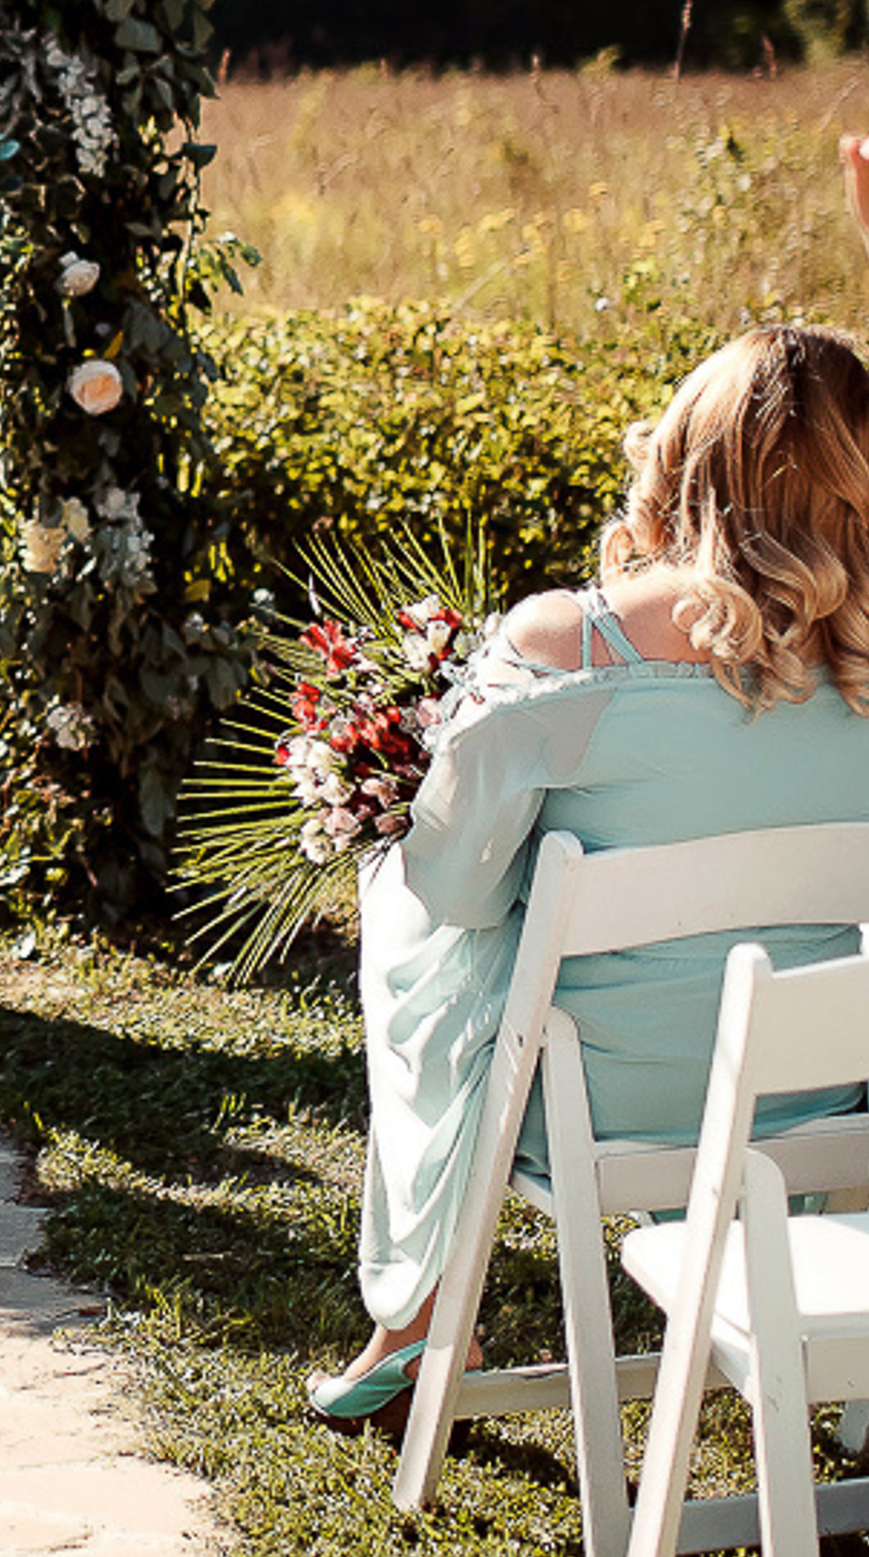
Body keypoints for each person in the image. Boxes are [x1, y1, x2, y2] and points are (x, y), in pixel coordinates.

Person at [312, 321, 869, 1424]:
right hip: (817, 1096)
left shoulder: (567, 645)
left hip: (588, 1103)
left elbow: (452, 891)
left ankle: (419, 1314)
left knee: (409, 908)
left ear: (688, 463)